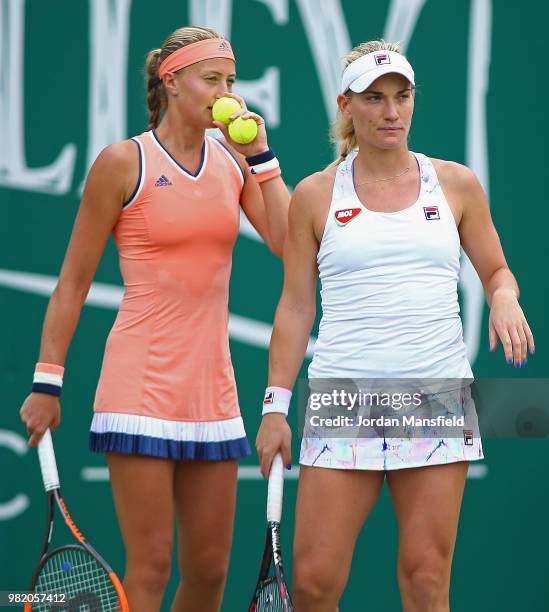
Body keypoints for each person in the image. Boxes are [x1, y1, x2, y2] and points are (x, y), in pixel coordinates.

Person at [255, 40, 534, 612]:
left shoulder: (455, 184)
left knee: (426, 582)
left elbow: (497, 269)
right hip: (343, 397)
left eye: (402, 97)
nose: (391, 111)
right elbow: (295, 308)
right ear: (346, 106)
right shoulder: (313, 195)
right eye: (375, 98)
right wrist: (274, 407)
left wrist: (504, 297)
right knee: (312, 586)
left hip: (434, 395)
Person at [20, 26, 290, 612]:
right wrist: (48, 380)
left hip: (212, 392)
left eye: (231, 82)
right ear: (172, 82)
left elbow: (291, 246)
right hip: (139, 384)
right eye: (212, 80)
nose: (228, 95)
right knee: (151, 569)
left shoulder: (233, 162)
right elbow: (72, 283)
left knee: (210, 571)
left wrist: (262, 159)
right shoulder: (123, 162)